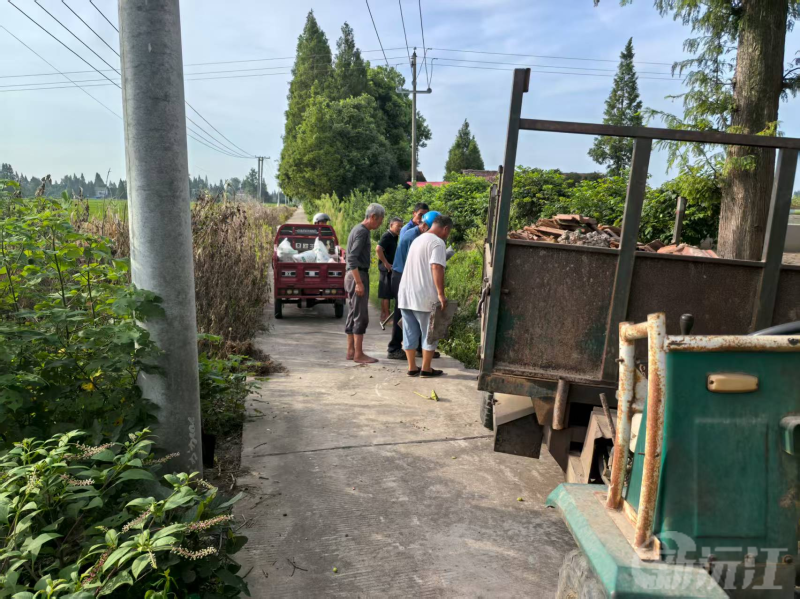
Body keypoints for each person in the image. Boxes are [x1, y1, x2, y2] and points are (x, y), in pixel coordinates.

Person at [397, 214, 454, 377]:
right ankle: (426, 369)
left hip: (406, 293)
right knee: (430, 333)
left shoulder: (418, 239)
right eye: (448, 232)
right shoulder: (438, 243)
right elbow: (436, 267)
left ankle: (412, 367)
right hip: (424, 296)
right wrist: (441, 294)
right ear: (445, 229)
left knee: (409, 332)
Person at [386, 210, 439, 359]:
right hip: (402, 276)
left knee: (419, 309)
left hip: (408, 275)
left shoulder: (418, 235)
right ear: (425, 226)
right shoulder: (412, 237)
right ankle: (394, 348)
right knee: (402, 313)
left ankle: (421, 348)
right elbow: (417, 263)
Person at [345, 203, 385, 363]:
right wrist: (359, 282)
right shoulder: (362, 232)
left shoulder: (357, 229)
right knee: (360, 315)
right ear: (373, 217)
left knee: (353, 313)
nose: (380, 224)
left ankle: (351, 351)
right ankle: (358, 354)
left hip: (352, 275)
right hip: (357, 274)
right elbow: (351, 258)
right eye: (380, 220)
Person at [376, 217, 403, 322]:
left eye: (401, 226)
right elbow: (378, 249)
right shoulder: (387, 236)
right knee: (386, 294)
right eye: (398, 226)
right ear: (391, 225)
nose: (400, 228)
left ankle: (383, 315)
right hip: (386, 268)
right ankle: (387, 316)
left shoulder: (394, 236)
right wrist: (385, 263)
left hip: (389, 268)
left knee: (385, 293)